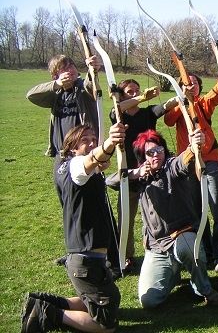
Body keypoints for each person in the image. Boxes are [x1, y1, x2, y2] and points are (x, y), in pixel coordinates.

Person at [21, 122, 126, 333]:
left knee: (111, 299)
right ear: (72, 147)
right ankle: (48, 313)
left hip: (83, 255)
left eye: (93, 139)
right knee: (106, 324)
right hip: (86, 261)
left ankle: (42, 301)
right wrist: (108, 143)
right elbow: (87, 163)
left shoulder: (64, 164)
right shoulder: (77, 165)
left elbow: (93, 162)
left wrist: (105, 157)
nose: (90, 143)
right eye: (84, 140)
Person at [26, 54, 121, 274]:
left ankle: (114, 259)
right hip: (62, 157)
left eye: (70, 65)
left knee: (100, 209)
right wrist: (57, 84)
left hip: (86, 156)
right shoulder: (55, 93)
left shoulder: (82, 87)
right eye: (62, 67)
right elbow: (31, 95)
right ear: (55, 74)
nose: (68, 69)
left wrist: (93, 70)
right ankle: (75, 252)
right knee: (69, 207)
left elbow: (93, 87)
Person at [129, 129, 218, 308]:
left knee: (187, 246)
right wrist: (136, 173)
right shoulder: (139, 177)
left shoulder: (171, 165)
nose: (157, 155)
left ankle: (203, 288)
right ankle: (173, 272)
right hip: (157, 246)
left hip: (182, 236)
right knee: (149, 301)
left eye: (160, 150)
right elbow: (112, 181)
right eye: (150, 152)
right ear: (142, 156)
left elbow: (183, 161)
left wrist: (193, 146)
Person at [164, 71, 218, 273]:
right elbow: (169, 120)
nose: (191, 85)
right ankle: (206, 253)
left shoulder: (203, 104)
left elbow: (215, 94)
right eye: (187, 83)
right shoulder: (179, 107)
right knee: (197, 213)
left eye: (194, 83)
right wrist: (182, 99)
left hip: (210, 161)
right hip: (188, 163)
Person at [108, 79, 178, 273]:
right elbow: (117, 108)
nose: (135, 94)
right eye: (130, 91)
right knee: (126, 219)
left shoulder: (147, 113)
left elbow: (165, 106)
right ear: (121, 95)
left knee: (163, 215)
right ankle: (127, 256)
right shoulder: (118, 115)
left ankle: (167, 249)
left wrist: (180, 95)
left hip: (151, 176)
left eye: (137, 90)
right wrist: (141, 97)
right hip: (130, 175)